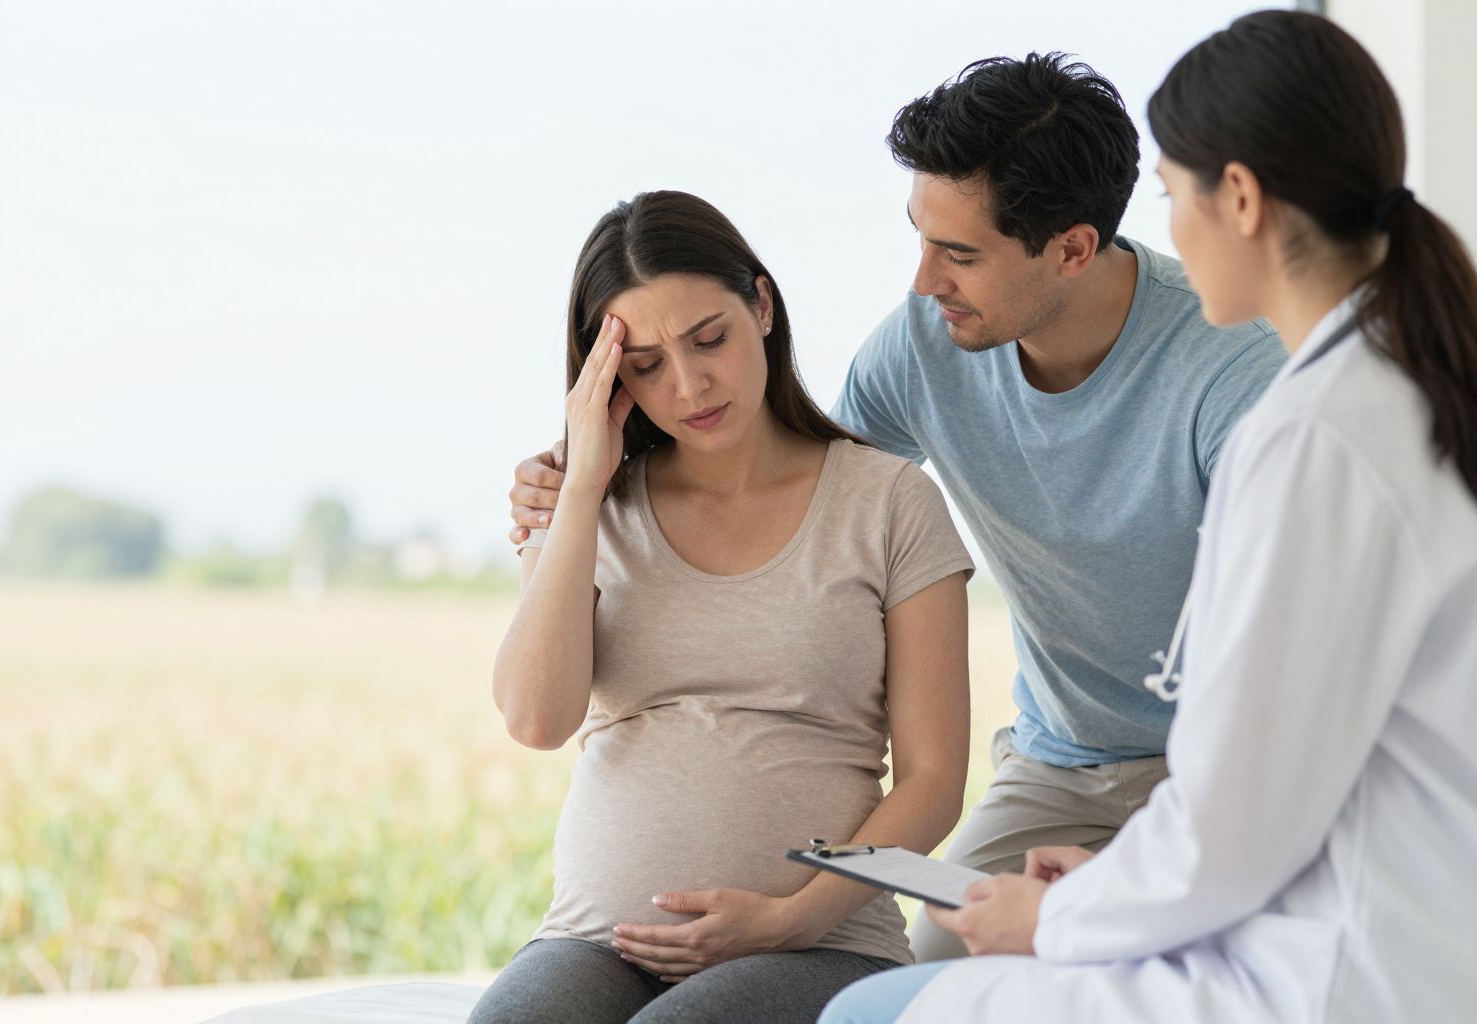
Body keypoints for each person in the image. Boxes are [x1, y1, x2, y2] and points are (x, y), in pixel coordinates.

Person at [506, 53, 1287, 962]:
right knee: (934, 986)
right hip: (1059, 760)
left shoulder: (1232, 376)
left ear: (1072, 248)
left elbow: (1300, 647)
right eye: (920, 239)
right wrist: (573, 496)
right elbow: (820, 503)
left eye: (959, 255)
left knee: (1213, 974)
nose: (924, 282)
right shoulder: (925, 346)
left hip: (1232, 767)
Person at [820, 10, 1477, 1022]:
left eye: (1173, 197)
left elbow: (1238, 816)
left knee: (867, 1013)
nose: (924, 282)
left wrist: (1066, 918)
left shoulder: (1299, 429)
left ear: (1242, 200)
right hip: (1303, 873)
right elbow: (812, 486)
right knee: (935, 957)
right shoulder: (1386, 385)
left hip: (1345, 947)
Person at [471, 190, 975, 1024]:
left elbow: (933, 783)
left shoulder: (889, 502)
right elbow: (536, 718)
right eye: (646, 366)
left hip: (821, 946)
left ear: (763, 306)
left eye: (710, 340)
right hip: (597, 941)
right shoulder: (588, 506)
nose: (690, 383)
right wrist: (585, 489)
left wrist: (790, 917)